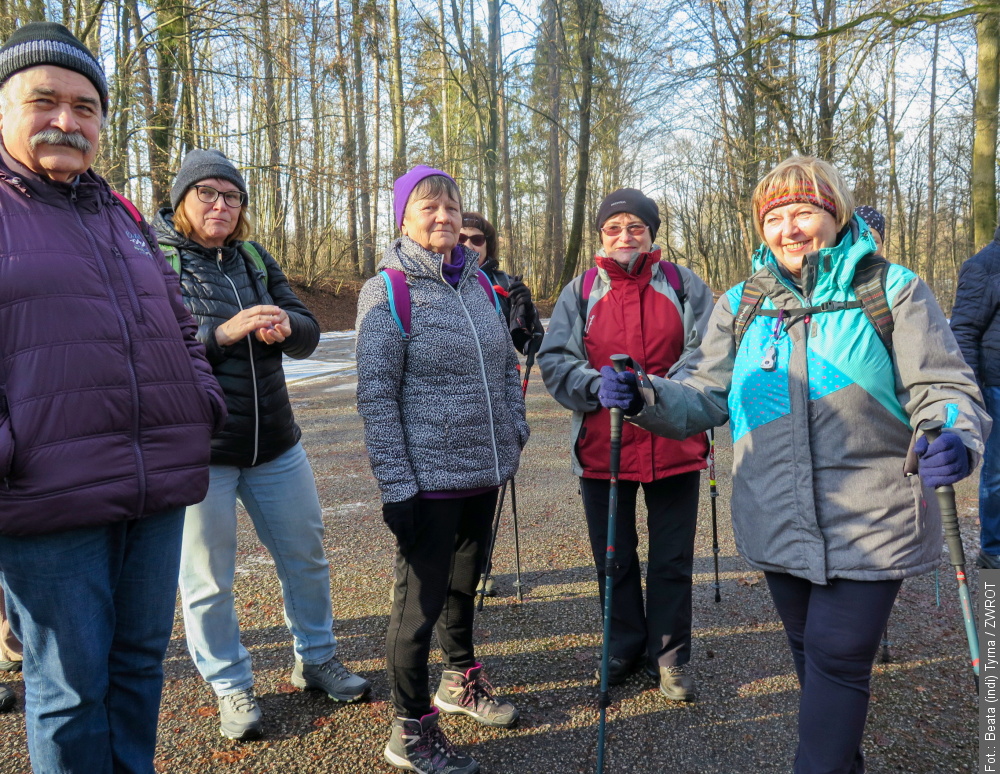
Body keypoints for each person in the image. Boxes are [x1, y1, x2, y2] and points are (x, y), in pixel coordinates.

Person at [600, 156, 987, 774]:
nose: (790, 229)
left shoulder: (892, 289)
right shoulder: (742, 303)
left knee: (836, 656)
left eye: (803, 212)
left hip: (874, 512)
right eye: (774, 218)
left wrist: (953, 434)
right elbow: (703, 393)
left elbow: (943, 386)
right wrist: (644, 394)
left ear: (834, 214)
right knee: (812, 655)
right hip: (776, 511)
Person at [0, 22, 227, 773]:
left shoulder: (121, 215)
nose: (67, 120)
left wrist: (199, 404)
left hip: (155, 484)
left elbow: (179, 322)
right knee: (68, 690)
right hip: (48, 494)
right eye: (44, 101)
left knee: (138, 667)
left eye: (86, 107)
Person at [153, 149, 370, 741]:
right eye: (207, 193)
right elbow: (150, 348)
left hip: (275, 442)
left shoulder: (253, 257)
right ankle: (230, 683)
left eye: (232, 196)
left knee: (306, 556)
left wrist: (287, 328)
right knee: (207, 580)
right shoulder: (156, 258)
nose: (220, 205)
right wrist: (221, 333)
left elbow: (309, 333)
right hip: (202, 450)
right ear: (182, 200)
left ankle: (316, 658)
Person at [356, 165, 529, 774]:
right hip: (426, 483)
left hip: (484, 472)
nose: (443, 217)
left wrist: (513, 431)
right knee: (417, 609)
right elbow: (376, 396)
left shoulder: (479, 283)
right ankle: (408, 730)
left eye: (452, 206)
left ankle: (459, 680)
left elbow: (505, 367)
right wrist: (397, 486)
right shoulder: (389, 290)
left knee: (465, 583)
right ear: (404, 219)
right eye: (428, 207)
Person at [537, 188, 714, 701]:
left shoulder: (684, 285)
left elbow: (710, 356)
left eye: (636, 227)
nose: (624, 236)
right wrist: (596, 385)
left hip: (676, 445)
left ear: (652, 233)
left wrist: (653, 392)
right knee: (613, 556)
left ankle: (671, 656)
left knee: (672, 560)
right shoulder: (580, 291)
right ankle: (622, 645)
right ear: (601, 235)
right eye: (613, 228)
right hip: (603, 446)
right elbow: (556, 360)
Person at [950, 221, 1000, 569]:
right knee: (997, 475)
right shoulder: (984, 265)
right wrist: (973, 392)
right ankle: (992, 553)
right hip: (996, 386)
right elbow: (963, 331)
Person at [460, 211, 544, 355]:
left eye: (477, 240)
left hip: (497, 368)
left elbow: (529, 345)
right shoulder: (437, 283)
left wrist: (527, 310)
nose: (468, 245)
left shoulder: (505, 285)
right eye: (460, 238)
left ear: (488, 246)